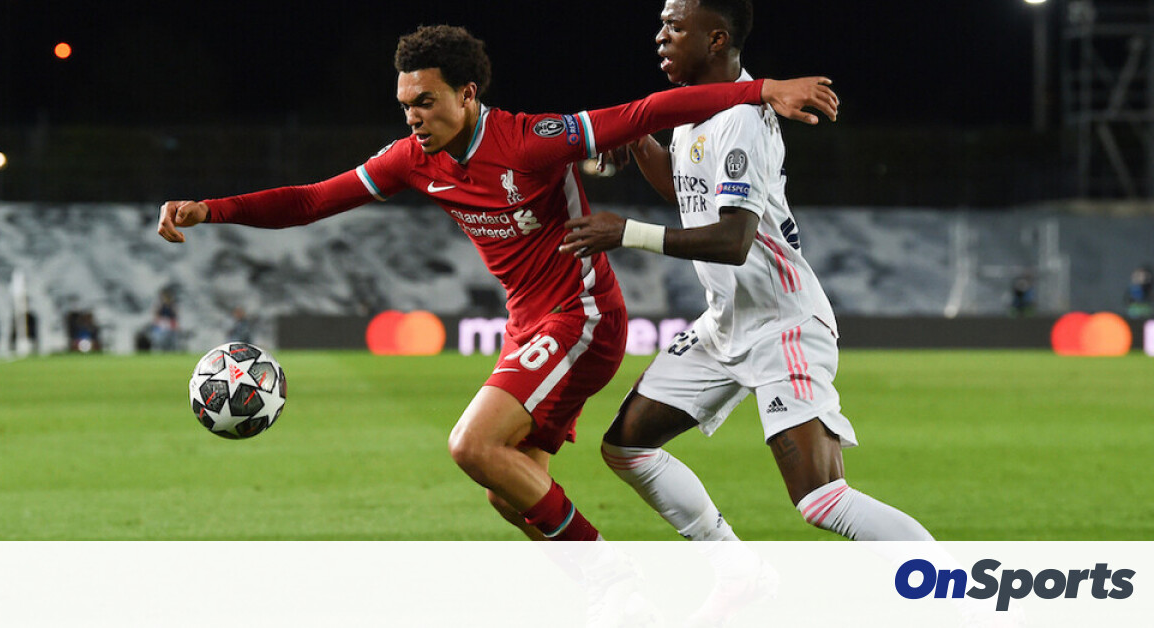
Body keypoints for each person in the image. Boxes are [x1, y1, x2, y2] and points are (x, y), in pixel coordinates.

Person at [157, 24, 838, 541]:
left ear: (467, 94)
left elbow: (645, 113)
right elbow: (312, 200)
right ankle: (634, 588)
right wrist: (211, 210)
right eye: (405, 105)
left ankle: (609, 581)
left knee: (472, 445)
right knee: (509, 489)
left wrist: (760, 90)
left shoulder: (530, 140)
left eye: (425, 102)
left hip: (582, 316)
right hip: (528, 324)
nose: (413, 117)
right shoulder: (412, 159)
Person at [561, 0, 933, 544]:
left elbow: (733, 241)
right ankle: (736, 568)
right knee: (627, 447)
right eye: (661, 25)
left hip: (782, 325)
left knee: (822, 499)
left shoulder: (741, 120)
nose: (660, 37)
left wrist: (626, 233)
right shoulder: (693, 111)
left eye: (674, 26)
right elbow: (688, 194)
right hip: (725, 323)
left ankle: (957, 587)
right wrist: (640, 142)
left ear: (716, 39)